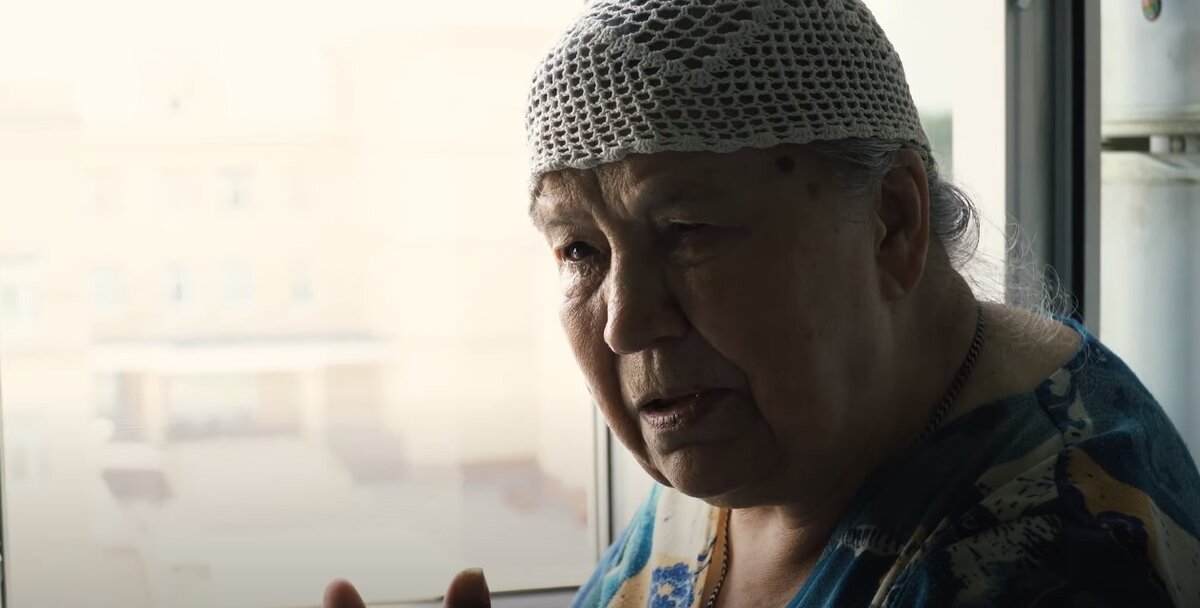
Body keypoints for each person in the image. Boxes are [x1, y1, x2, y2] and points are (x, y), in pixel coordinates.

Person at [326, 0, 1200, 606]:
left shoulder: (1047, 562)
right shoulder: (769, 434)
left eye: (687, 231)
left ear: (892, 223)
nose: (625, 321)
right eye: (580, 251)